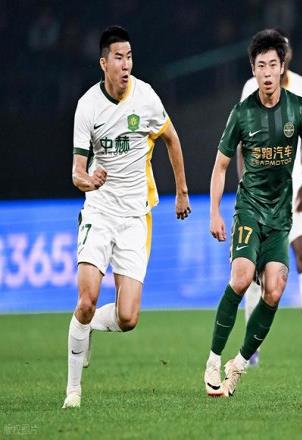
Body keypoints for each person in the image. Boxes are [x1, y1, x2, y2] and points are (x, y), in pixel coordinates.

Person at [63, 26, 191, 408]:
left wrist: (182, 192)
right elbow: (76, 172)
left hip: (135, 217)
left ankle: (88, 328)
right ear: (104, 63)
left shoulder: (146, 97)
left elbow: (172, 139)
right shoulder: (88, 106)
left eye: (129, 57)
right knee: (86, 299)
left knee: (128, 318)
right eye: (118, 58)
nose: (125, 64)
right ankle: (73, 392)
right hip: (99, 211)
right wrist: (88, 181)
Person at [204, 29, 302, 397]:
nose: (267, 72)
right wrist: (214, 213)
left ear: (282, 67)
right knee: (241, 278)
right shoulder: (242, 113)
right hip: (250, 209)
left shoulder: (298, 108)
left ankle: (238, 364)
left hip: (281, 216)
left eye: (273, 64)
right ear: (253, 70)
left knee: (274, 289)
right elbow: (221, 166)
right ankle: (213, 359)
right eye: (261, 66)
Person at [239, 30, 302, 368]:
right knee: (255, 268)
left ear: (286, 58)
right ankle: (251, 349)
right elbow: (240, 144)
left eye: (280, 54)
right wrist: (245, 186)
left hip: (295, 187)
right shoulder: (250, 88)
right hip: (259, 191)